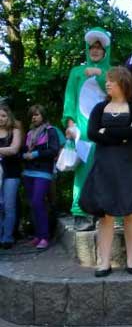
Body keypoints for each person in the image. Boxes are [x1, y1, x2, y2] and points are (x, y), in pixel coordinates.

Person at [79, 67, 132, 277]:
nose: (107, 84)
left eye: (112, 80)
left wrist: (107, 132)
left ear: (124, 83)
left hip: (130, 164)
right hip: (105, 165)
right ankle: (104, 262)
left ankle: (131, 261)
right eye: (107, 81)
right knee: (106, 214)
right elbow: (92, 133)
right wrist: (122, 136)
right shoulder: (99, 108)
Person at [62, 27, 112, 232]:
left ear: (105, 51)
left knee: (107, 170)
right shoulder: (76, 72)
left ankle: (106, 211)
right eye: (92, 47)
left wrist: (100, 74)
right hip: (82, 131)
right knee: (82, 171)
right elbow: (70, 99)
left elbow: (118, 92)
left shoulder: (112, 72)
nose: (95, 51)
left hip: (107, 129)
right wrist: (70, 124)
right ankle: (80, 213)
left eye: (99, 48)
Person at [22, 105, 60, 250]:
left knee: (38, 202)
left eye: (37, 114)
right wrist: (23, 155)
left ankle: (44, 237)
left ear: (43, 115)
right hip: (28, 172)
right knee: (33, 204)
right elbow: (23, 150)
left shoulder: (51, 130)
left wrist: (36, 154)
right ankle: (38, 235)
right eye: (32, 115)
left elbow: (54, 150)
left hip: (43, 172)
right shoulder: (30, 133)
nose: (34, 117)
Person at [0, 105, 22, 249]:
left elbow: (14, 149)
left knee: (9, 206)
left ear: (9, 117)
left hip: (11, 173)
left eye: (3, 116)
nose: (1, 119)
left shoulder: (15, 131)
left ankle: (7, 238)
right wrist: (4, 150)